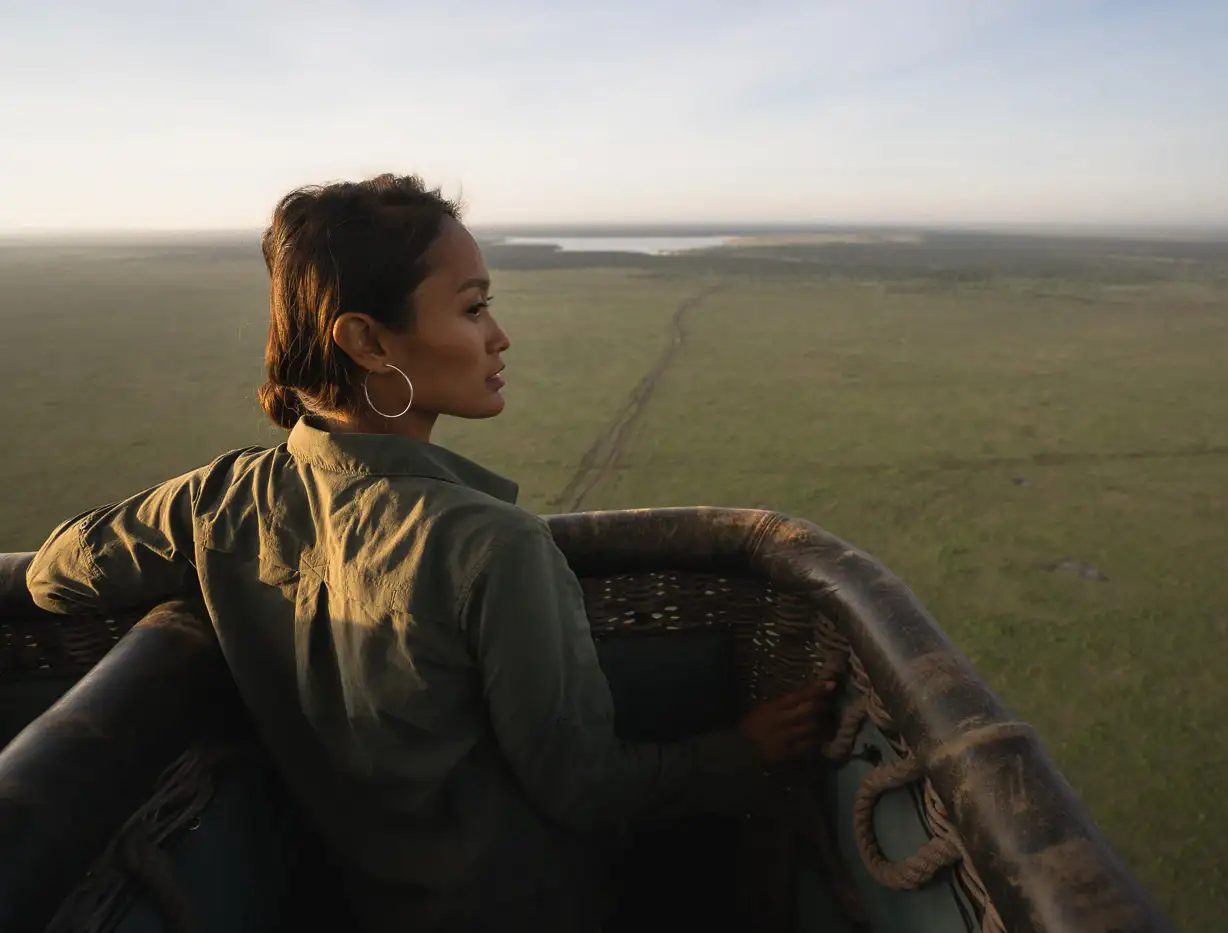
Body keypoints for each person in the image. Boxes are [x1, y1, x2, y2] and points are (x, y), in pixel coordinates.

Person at [25, 174, 833, 932]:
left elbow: (53, 569)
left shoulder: (220, 499)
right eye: (473, 308)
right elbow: (584, 784)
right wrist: (740, 752)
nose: (499, 336)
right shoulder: (491, 546)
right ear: (369, 342)